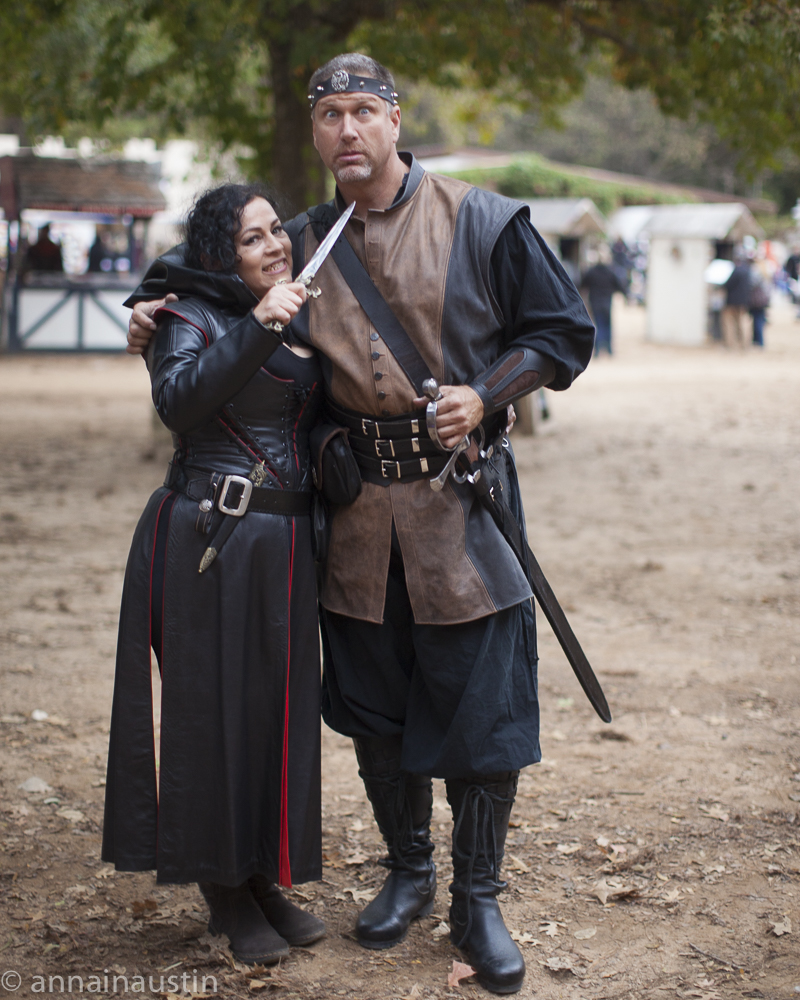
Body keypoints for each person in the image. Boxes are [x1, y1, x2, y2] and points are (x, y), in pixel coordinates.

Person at [128, 53, 594, 995]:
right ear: (316, 131)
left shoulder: (485, 219)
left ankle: (478, 897)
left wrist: (486, 391)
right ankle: (409, 873)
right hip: (352, 520)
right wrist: (147, 312)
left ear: (393, 118)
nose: (345, 130)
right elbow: (206, 279)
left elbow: (562, 330)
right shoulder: (303, 235)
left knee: (480, 711)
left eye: (361, 112)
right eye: (327, 115)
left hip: (463, 508)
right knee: (377, 708)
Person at [103, 183, 326, 966]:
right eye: (250, 239)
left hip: (289, 546)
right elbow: (179, 402)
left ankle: (260, 875)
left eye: (276, 231)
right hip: (211, 536)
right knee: (212, 717)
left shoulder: (297, 308)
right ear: (214, 255)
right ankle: (224, 894)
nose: (273, 246)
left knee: (271, 716)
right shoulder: (186, 315)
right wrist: (256, 326)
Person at [580, 245, 627, 355]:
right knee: (608, 326)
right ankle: (609, 350)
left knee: (597, 325)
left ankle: (597, 351)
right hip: (607, 303)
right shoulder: (610, 272)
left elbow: (582, 285)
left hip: (595, 303)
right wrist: (624, 296)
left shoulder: (591, 272)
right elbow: (620, 286)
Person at [722, 253, 753, 349]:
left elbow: (728, 285)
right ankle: (744, 344)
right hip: (743, 301)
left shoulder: (735, 271)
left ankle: (730, 344)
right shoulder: (747, 271)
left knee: (729, 323)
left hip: (732, 302)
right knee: (742, 322)